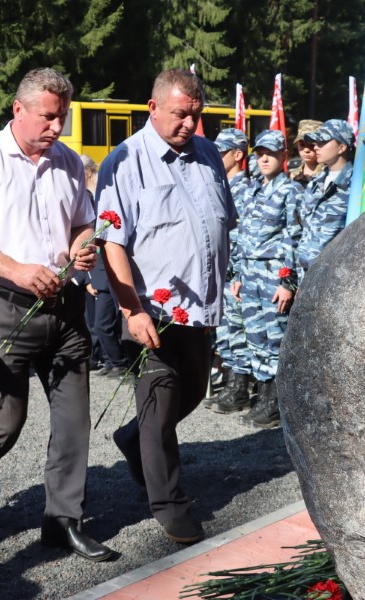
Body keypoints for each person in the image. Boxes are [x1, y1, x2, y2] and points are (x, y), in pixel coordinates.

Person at [0, 67, 113, 562]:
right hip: (3, 306)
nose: (58, 128)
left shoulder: (69, 162)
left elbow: (82, 223)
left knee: (74, 420)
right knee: (4, 424)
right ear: (18, 109)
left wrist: (82, 247)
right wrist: (16, 269)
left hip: (65, 306)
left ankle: (63, 521)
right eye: (49, 117)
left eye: (63, 117)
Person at [96, 68, 235, 544]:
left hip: (199, 308)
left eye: (196, 115)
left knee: (191, 392)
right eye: (180, 114)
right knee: (159, 406)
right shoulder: (125, 162)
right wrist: (130, 309)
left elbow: (219, 225)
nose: (189, 125)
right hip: (152, 311)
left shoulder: (209, 154)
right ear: (152, 107)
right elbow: (112, 243)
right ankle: (170, 505)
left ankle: (132, 438)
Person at [229, 130, 305, 429]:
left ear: (283, 156)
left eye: (270, 154)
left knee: (275, 339)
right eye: (260, 154)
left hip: (273, 275)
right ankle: (262, 397)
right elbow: (242, 235)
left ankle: (276, 403)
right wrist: (237, 274)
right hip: (249, 274)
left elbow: (294, 237)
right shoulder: (253, 190)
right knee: (255, 337)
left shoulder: (290, 191)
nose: (264, 159)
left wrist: (287, 282)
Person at [207, 127, 254, 412]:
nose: (216, 157)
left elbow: (243, 235)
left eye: (221, 152)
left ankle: (239, 388)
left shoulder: (245, 189)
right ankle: (231, 384)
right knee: (226, 331)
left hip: (236, 269)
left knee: (238, 331)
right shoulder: (220, 185)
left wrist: (237, 272)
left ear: (237, 155)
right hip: (221, 270)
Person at [78, 153, 128, 377]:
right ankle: (108, 360)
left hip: (104, 275)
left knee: (104, 323)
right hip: (94, 275)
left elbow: (99, 242)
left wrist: (91, 278)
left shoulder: (94, 199)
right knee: (96, 323)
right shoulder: (87, 197)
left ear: (88, 173)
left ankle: (118, 362)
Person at [289, 119, 356, 283]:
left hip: (334, 278)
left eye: (323, 142)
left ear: (341, 147)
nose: (316, 147)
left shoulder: (356, 185)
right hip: (305, 276)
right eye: (316, 142)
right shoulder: (315, 183)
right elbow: (300, 230)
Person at [288, 119, 324, 186]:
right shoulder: (293, 175)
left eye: (312, 145)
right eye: (302, 145)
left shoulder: (327, 173)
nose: (306, 150)